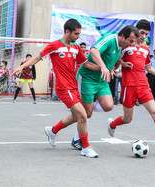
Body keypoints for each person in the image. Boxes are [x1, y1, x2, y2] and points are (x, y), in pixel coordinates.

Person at [12, 19, 101, 158]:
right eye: (76, 34)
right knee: (83, 115)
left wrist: (103, 68)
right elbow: (37, 58)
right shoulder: (54, 45)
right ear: (67, 32)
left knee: (78, 115)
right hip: (63, 88)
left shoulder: (76, 48)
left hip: (73, 87)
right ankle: (85, 147)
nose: (78, 37)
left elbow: (87, 64)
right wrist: (22, 66)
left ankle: (52, 130)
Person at [107, 19, 155, 156]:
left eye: (146, 34)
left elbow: (149, 68)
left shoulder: (146, 50)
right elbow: (116, 59)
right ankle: (112, 125)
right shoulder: (126, 46)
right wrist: (118, 66)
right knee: (127, 119)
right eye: (142, 33)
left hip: (143, 86)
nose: (144, 36)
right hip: (129, 86)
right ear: (135, 31)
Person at [71, 25, 139, 149]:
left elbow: (113, 56)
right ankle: (77, 139)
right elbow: (94, 51)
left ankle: (84, 108)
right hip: (87, 77)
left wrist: (121, 63)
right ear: (123, 36)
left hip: (101, 80)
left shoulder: (120, 45)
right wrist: (103, 66)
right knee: (87, 113)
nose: (131, 44)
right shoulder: (109, 39)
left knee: (108, 106)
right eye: (130, 41)